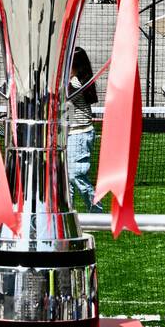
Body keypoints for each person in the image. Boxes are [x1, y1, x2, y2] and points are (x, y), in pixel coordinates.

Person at [66, 47, 97, 211]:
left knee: (75, 175)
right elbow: (68, 111)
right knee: (66, 178)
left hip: (80, 134)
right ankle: (67, 212)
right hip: (71, 133)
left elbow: (62, 99)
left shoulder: (75, 83)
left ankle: (97, 212)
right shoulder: (72, 81)